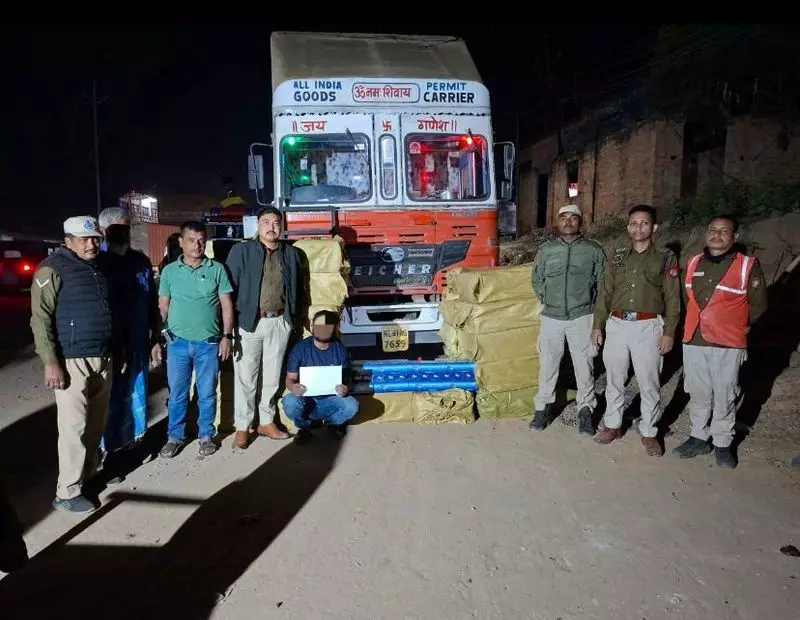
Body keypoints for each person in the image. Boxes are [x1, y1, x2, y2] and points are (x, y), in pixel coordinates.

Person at [30, 216, 116, 513]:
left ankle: (88, 475)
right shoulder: (51, 269)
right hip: (71, 360)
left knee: (95, 424)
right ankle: (66, 492)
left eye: (95, 239)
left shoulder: (99, 267)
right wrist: (50, 362)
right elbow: (40, 318)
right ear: (68, 241)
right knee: (73, 428)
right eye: (84, 240)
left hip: (102, 356)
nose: (92, 245)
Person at [672, 215, 767, 469]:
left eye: (724, 231)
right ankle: (699, 437)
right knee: (698, 392)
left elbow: (758, 305)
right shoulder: (694, 262)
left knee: (725, 393)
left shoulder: (747, 265)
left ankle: (723, 443)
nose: (717, 235)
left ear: (735, 236)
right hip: (694, 339)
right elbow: (688, 298)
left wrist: (735, 325)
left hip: (728, 343)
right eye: (713, 230)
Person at [591, 204, 681, 456]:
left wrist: (669, 331)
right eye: (633, 223)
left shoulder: (665, 257)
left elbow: (673, 297)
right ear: (628, 227)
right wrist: (598, 325)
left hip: (648, 326)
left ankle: (649, 432)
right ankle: (612, 425)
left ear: (654, 227)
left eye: (644, 223)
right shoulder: (618, 255)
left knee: (649, 381)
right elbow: (605, 293)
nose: (638, 228)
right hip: (617, 324)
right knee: (614, 379)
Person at [225, 206, 305, 448]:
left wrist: (292, 319)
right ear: (257, 225)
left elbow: (298, 288)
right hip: (249, 322)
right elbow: (228, 289)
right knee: (246, 377)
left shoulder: (290, 253)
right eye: (266, 222)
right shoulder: (242, 251)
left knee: (272, 376)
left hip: (279, 321)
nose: (272, 227)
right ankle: (243, 426)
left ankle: (266, 422)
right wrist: (230, 325)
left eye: (276, 223)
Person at [157, 221, 234, 459]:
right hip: (177, 343)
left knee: (207, 392)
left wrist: (227, 336)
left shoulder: (217, 269)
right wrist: (160, 336)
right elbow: (163, 306)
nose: (197, 245)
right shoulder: (169, 271)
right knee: (178, 393)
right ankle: (174, 437)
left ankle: (206, 435)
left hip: (208, 343)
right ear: (181, 242)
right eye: (191, 240)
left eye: (201, 240)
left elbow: (226, 306)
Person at [530, 204, 605, 435]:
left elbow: (602, 283)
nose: (568, 221)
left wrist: (596, 316)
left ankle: (586, 410)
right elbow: (537, 280)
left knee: (585, 366)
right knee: (548, 365)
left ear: (580, 221)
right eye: (563, 217)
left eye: (573, 217)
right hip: (552, 317)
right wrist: (549, 300)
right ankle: (542, 409)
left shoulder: (593, 249)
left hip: (582, 316)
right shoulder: (547, 250)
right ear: (557, 221)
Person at [97, 207, 161, 464]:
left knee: (137, 392)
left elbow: (152, 302)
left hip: (138, 341)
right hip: (110, 345)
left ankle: (135, 442)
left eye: (126, 228)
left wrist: (155, 338)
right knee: (110, 398)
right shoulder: (97, 263)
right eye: (116, 229)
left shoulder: (140, 261)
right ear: (103, 231)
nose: (123, 233)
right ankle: (108, 450)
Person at [280, 310, 358, 443]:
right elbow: (290, 379)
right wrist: (293, 387)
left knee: (351, 405)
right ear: (312, 327)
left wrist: (345, 388)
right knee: (290, 402)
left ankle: (333, 423)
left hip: (330, 399)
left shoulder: (340, 350)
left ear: (335, 328)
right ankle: (304, 427)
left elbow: (347, 380)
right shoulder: (300, 349)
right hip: (306, 398)